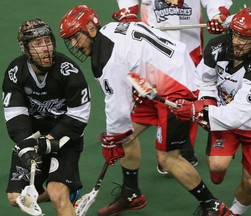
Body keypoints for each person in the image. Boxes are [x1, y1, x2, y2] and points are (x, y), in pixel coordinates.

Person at [60, 4, 229, 216]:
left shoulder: (104, 58)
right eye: (71, 40)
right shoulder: (110, 29)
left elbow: (117, 104)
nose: (74, 44)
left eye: (77, 37)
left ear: (91, 29)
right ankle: (132, 193)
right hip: (166, 73)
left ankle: (213, 206)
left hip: (176, 86)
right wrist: (118, 137)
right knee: (127, 137)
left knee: (167, 158)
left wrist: (112, 140)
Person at [170, 7, 251, 216]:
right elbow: (204, 81)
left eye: (246, 38)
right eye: (235, 34)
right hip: (222, 117)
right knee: (217, 168)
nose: (238, 42)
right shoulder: (216, 46)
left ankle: (234, 212)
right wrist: (206, 103)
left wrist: (197, 112)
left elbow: (237, 115)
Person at [112, 0, 233, 173]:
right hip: (153, 43)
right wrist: (128, 11)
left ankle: (183, 144)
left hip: (189, 45)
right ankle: (171, 145)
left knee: (189, 95)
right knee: (152, 93)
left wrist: (216, 14)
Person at [2, 18, 91, 216]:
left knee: (57, 193)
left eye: (48, 41)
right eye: (38, 44)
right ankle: (71, 191)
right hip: (34, 137)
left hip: (65, 138)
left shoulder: (69, 71)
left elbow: (79, 116)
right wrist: (26, 144)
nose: (46, 48)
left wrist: (49, 141)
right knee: (15, 198)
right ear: (25, 48)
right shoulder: (15, 72)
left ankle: (63, 191)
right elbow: (15, 113)